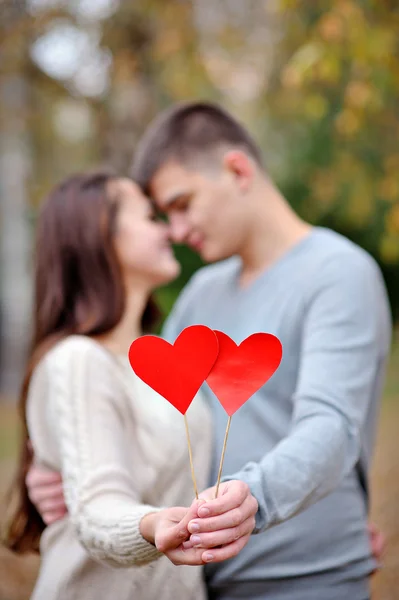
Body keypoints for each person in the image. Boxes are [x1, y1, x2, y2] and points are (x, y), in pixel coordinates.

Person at [27, 102, 391, 600]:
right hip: (197, 579)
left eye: (182, 204)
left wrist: (252, 500)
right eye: (163, 215)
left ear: (237, 169)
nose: (176, 232)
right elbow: (141, 403)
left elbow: (332, 425)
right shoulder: (202, 292)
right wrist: (63, 465)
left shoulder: (339, 273)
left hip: (305, 577)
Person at [4, 170, 257, 600]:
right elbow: (98, 507)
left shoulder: (155, 358)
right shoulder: (78, 360)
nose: (170, 231)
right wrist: (154, 525)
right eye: (151, 217)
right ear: (101, 235)